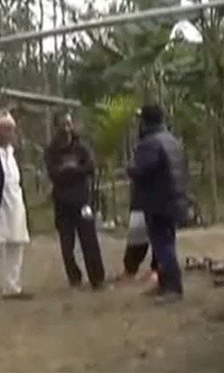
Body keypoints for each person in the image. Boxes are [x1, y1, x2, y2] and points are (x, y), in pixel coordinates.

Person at [127, 104, 188, 304]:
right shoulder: (171, 139)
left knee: (163, 246)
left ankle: (173, 288)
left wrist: (130, 168)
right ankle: (164, 284)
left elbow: (141, 171)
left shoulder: (149, 143)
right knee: (166, 243)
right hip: (173, 200)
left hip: (158, 203)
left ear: (146, 121)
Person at [44, 112, 105, 290]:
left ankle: (97, 278)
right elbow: (53, 173)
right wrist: (73, 170)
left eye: (68, 123)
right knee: (66, 244)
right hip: (62, 203)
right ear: (56, 127)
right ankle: (74, 277)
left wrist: (70, 169)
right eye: (62, 124)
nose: (66, 127)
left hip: (83, 201)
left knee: (89, 240)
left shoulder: (82, 147)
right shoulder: (52, 150)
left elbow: (90, 167)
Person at [0, 110, 33, 300]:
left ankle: (12, 286)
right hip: (1, 204)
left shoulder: (13, 154)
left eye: (11, 130)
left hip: (15, 203)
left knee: (16, 243)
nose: (9, 134)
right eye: (5, 130)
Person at [116, 178, 158, 284]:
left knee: (159, 234)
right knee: (137, 233)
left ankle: (157, 270)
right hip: (142, 196)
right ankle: (130, 269)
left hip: (158, 195)